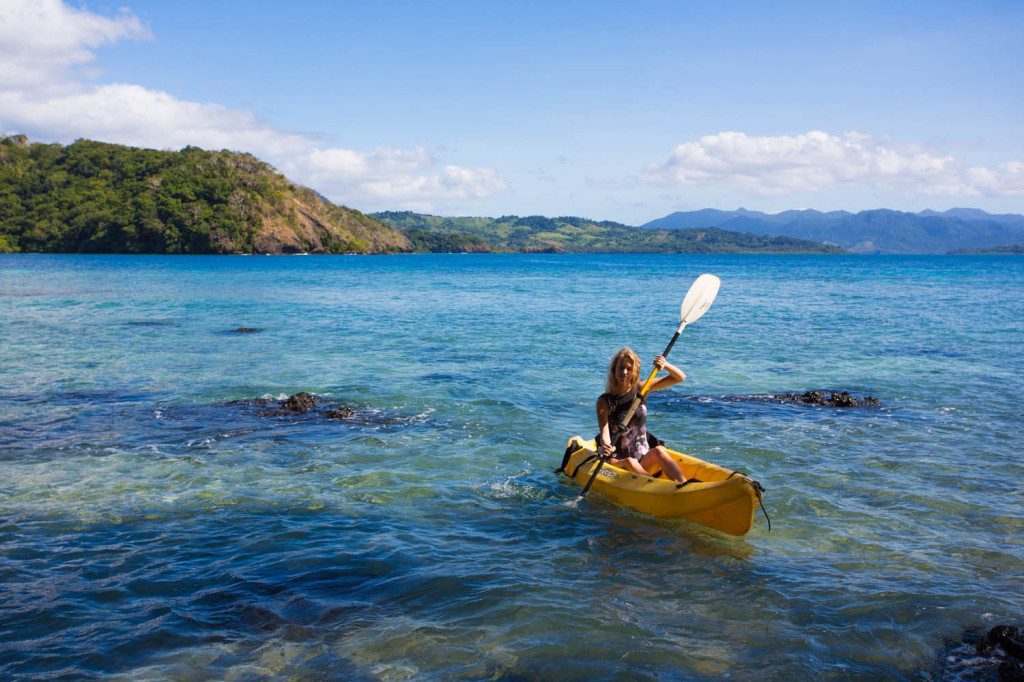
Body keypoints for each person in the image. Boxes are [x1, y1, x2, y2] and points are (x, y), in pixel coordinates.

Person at [596, 347, 688, 482]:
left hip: (642, 456)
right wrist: (606, 446)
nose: (624, 372)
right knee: (630, 462)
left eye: (629, 369)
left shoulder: (642, 389)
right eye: (621, 368)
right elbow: (605, 434)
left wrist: (665, 365)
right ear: (614, 369)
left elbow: (679, 377)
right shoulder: (604, 401)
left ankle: (683, 485)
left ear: (635, 372)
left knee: (659, 451)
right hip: (618, 461)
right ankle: (656, 487)